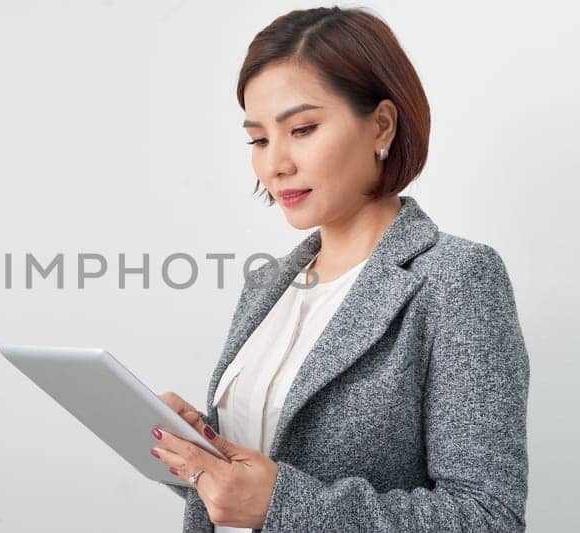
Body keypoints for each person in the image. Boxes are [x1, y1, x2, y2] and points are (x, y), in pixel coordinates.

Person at [148, 6, 530, 532]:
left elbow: (488, 517)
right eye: (258, 139)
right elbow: (251, 478)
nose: (275, 163)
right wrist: (197, 451)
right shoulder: (268, 287)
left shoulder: (456, 279)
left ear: (381, 125)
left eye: (301, 129)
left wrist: (280, 505)